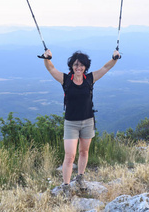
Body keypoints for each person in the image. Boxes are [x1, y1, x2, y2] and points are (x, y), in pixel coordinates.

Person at [43, 48, 120, 196]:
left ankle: (80, 178)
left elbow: (106, 67)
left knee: (84, 152)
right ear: (72, 66)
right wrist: (47, 58)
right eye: (76, 65)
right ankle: (66, 186)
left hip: (88, 121)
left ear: (85, 67)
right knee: (70, 155)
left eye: (81, 65)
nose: (79, 68)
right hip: (71, 123)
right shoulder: (65, 79)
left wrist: (114, 58)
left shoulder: (90, 78)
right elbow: (51, 68)